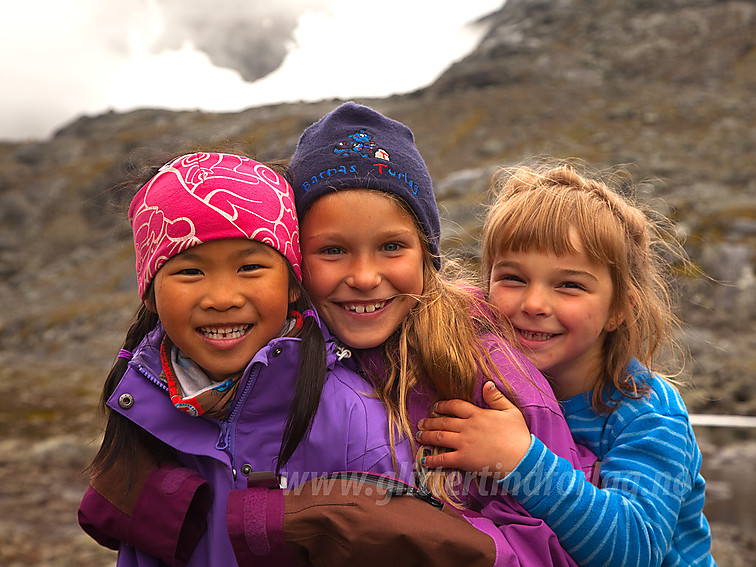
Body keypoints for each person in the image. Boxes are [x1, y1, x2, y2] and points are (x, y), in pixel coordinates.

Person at [261, 102, 595, 566]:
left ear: (427, 254)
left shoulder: (491, 372)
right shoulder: (270, 358)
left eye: (391, 247)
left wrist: (425, 540)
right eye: (333, 250)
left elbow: (553, 544)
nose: (363, 277)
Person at [77, 151, 411, 566]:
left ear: (293, 284)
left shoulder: (356, 425)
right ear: (149, 292)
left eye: (250, 267)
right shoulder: (142, 408)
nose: (222, 299)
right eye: (189, 272)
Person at [416, 162, 717, 566]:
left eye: (569, 285)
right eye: (513, 278)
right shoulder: (490, 387)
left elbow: (636, 548)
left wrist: (518, 459)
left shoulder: (646, 411)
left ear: (618, 310)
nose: (534, 304)